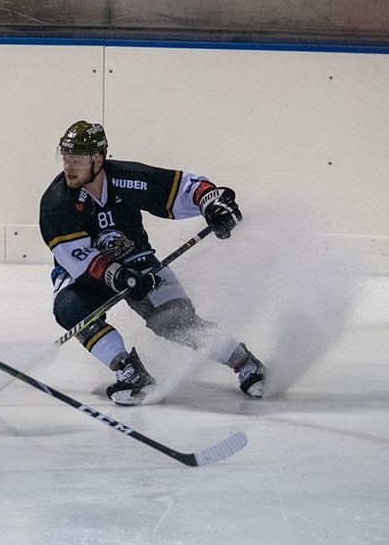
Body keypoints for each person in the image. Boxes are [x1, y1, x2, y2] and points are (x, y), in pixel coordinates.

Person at [39, 120, 266, 406]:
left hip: (136, 260)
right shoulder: (56, 203)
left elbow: (184, 187)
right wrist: (118, 276)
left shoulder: (127, 178)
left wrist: (210, 201)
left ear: (98, 159)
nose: (69, 167)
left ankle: (245, 362)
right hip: (83, 275)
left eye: (77, 160)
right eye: (66, 158)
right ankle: (129, 370)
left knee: (175, 322)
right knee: (69, 308)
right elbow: (76, 258)